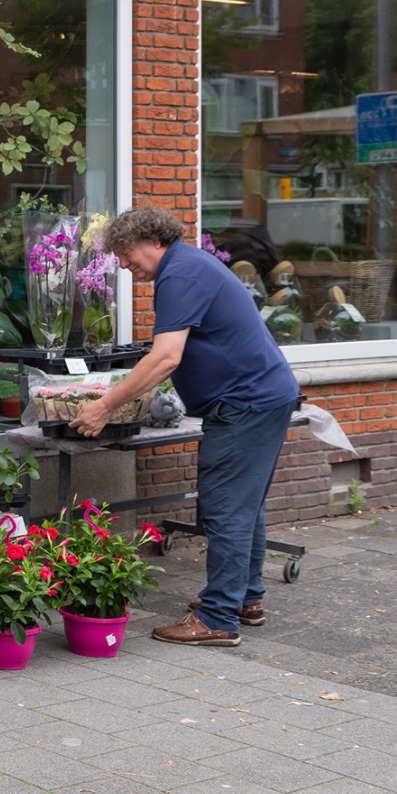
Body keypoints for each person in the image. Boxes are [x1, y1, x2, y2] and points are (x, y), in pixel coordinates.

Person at [70, 206, 300, 647]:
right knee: (244, 506)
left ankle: (217, 618)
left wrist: (104, 407)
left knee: (225, 508)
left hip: (245, 403)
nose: (121, 264)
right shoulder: (189, 266)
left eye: (125, 252)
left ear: (153, 240)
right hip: (262, 397)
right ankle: (244, 598)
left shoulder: (180, 274)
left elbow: (165, 357)